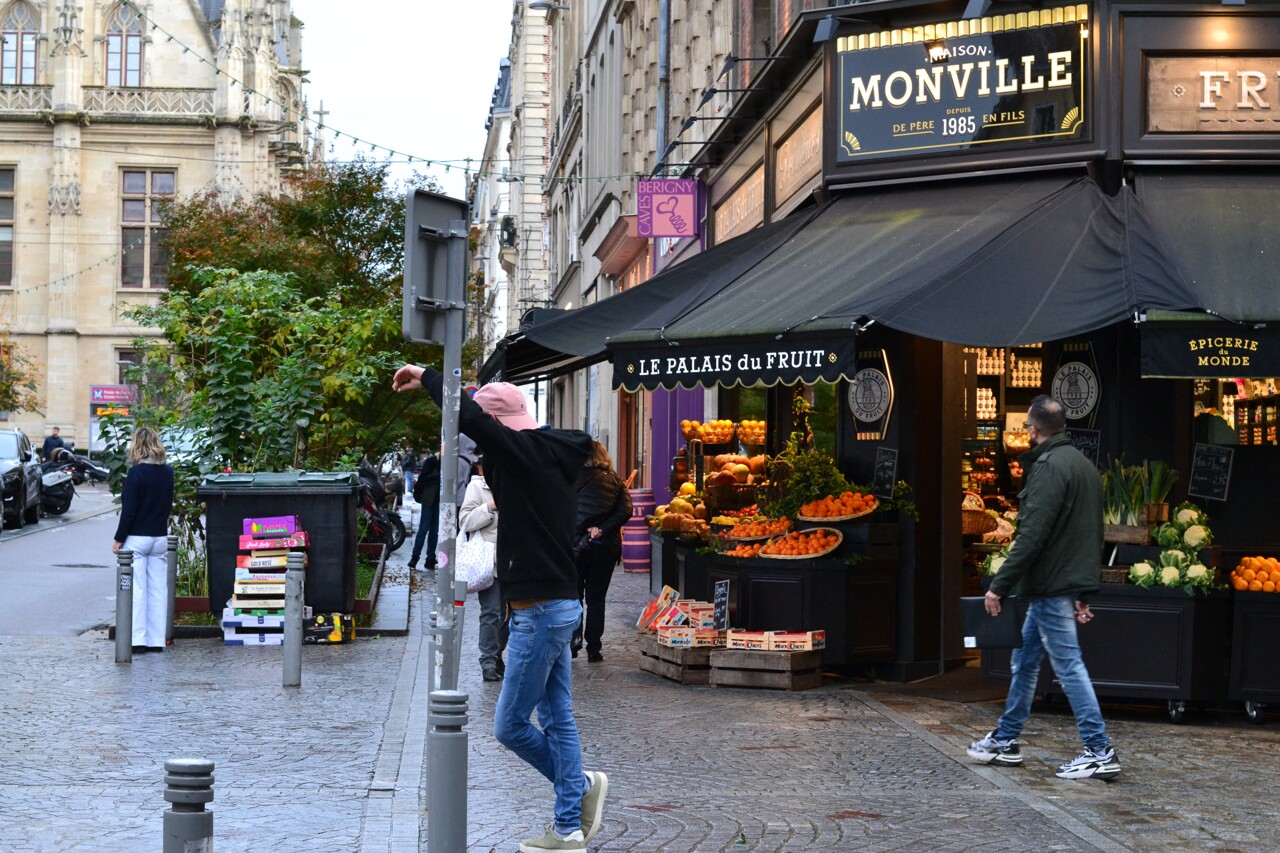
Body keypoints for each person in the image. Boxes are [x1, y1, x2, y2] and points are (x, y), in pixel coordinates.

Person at [393, 364, 608, 852]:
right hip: (556, 603)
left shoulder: (523, 454)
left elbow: (477, 420)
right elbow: (482, 418)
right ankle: (569, 827)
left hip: (538, 611)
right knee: (558, 719)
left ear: (502, 429)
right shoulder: (549, 450)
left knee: (510, 725)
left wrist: (428, 376)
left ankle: (576, 795)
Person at [966, 395, 1120, 781]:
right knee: (1026, 660)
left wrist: (998, 586)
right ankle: (1005, 740)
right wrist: (1085, 591)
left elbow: (1032, 535)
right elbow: (1090, 534)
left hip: (1050, 583)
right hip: (1058, 582)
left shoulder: (1049, 467)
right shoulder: (1083, 466)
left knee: (1068, 665)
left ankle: (1098, 750)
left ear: (1032, 431)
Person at [111, 426, 175, 653]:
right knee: (158, 590)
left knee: (137, 590)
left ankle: (137, 639)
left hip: (137, 538)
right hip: (159, 538)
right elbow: (167, 505)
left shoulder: (136, 473)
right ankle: (156, 640)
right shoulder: (168, 472)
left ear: (137, 446)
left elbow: (129, 510)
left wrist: (119, 539)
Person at [572, 441, 632, 663]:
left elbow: (564, 510)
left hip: (576, 545)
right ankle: (594, 647)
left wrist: (580, 532)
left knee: (574, 595)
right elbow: (626, 510)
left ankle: (573, 641)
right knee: (597, 598)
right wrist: (602, 530)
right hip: (604, 546)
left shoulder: (571, 477)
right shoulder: (615, 480)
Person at [460, 455, 508, 682]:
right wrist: (489, 507)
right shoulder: (477, 486)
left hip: (515, 560)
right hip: (488, 561)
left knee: (511, 614)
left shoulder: (517, 486)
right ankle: (488, 661)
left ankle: (498, 653)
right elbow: (465, 522)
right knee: (491, 612)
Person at [406, 451, 440, 571]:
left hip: (437, 500)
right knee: (424, 529)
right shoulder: (432, 461)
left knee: (434, 530)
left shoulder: (444, 461)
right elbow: (423, 479)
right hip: (428, 500)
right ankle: (415, 557)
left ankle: (430, 558)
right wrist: (439, 476)